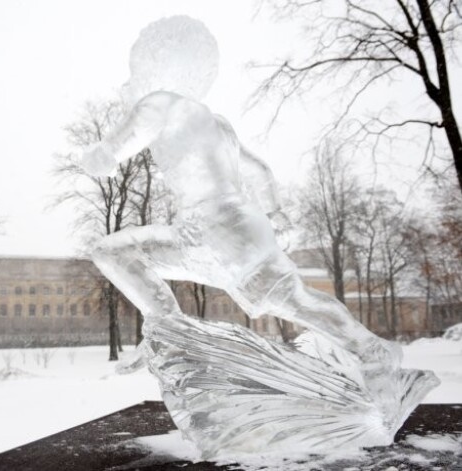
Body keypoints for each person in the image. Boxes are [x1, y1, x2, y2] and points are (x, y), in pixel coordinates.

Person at [81, 16, 400, 371]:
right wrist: (277, 215)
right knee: (299, 300)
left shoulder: (160, 103)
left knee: (110, 252)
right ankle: (371, 348)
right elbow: (260, 172)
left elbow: (115, 148)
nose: (131, 81)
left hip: (207, 229)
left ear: (157, 66)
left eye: (135, 70)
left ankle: (167, 328)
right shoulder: (219, 124)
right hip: (249, 228)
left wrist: (101, 155)